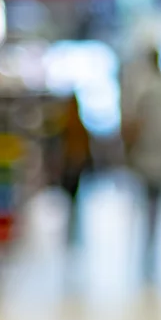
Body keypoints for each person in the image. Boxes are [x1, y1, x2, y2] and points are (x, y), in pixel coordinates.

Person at [121, 47, 161, 273]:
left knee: (147, 201)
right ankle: (153, 241)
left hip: (147, 156)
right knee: (156, 204)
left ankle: (148, 242)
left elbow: (134, 124)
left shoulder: (146, 91)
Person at [58, 93, 92, 246]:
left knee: (73, 197)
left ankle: (72, 229)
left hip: (74, 165)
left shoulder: (76, 126)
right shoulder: (67, 125)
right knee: (70, 197)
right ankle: (70, 228)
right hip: (70, 165)